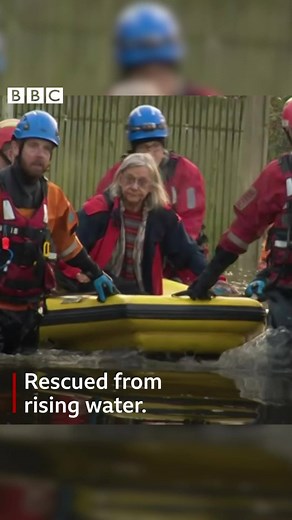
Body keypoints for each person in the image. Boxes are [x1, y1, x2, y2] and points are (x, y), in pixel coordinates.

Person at [0, 110, 118, 355]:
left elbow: (68, 246)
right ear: (15, 148)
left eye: (47, 148)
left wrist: (96, 273)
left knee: (21, 385)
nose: (39, 154)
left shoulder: (54, 196)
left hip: (29, 312)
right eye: (33, 145)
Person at [173, 97, 292, 330]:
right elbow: (241, 232)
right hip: (285, 289)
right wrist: (209, 277)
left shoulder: (278, 175)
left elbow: (240, 233)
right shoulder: (277, 176)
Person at [96, 104, 208, 282]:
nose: (150, 154)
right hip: (125, 254)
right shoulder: (116, 174)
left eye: (155, 147)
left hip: (173, 256)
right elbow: (98, 218)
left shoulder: (186, 172)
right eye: (144, 148)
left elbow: (190, 226)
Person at [76, 153, 207, 295]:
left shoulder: (164, 217)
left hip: (143, 297)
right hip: (99, 289)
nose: (134, 186)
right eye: (129, 179)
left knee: (134, 290)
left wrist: (213, 279)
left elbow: (188, 253)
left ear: (152, 186)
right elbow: (71, 245)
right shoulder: (97, 210)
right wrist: (77, 273)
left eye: (142, 182)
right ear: (120, 179)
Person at [110, 2, 217, 96]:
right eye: (143, 74)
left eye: (160, 72)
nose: (151, 85)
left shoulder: (204, 97)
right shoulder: (115, 97)